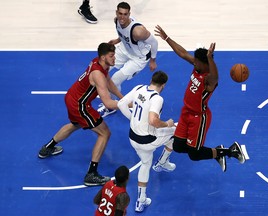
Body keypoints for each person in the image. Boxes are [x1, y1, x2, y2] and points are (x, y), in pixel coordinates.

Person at [154, 25, 246, 172]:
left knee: (194, 155)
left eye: (197, 62)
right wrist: (166, 38)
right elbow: (183, 53)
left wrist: (210, 58)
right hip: (186, 113)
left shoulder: (209, 79)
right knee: (177, 146)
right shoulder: (198, 67)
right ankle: (216, 152)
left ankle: (230, 151)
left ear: (205, 64)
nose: (194, 63)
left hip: (198, 117)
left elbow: (216, 76)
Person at [38, 43, 123, 186]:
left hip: (72, 97)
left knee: (74, 125)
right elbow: (108, 103)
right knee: (105, 133)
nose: (114, 58)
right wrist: (129, 104)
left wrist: (122, 97)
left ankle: (47, 148)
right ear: (103, 57)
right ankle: (91, 174)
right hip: (80, 105)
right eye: (111, 56)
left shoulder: (100, 63)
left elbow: (109, 82)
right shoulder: (98, 74)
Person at [118, 71, 176, 212]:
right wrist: (167, 124)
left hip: (133, 138)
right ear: (163, 85)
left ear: (151, 80)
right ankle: (162, 162)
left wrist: (132, 119)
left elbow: (121, 104)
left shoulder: (139, 88)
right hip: (148, 140)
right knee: (176, 131)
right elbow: (153, 120)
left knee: (146, 163)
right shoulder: (157, 99)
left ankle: (141, 200)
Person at [98, 1, 159, 118]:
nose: (122, 17)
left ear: (129, 14)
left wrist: (153, 60)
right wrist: (117, 40)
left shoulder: (138, 31)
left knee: (115, 79)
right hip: (125, 49)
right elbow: (123, 34)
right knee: (102, 67)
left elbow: (154, 42)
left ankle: (111, 106)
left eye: (125, 14)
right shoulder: (117, 21)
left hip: (138, 57)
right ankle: (105, 94)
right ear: (116, 12)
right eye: (120, 13)